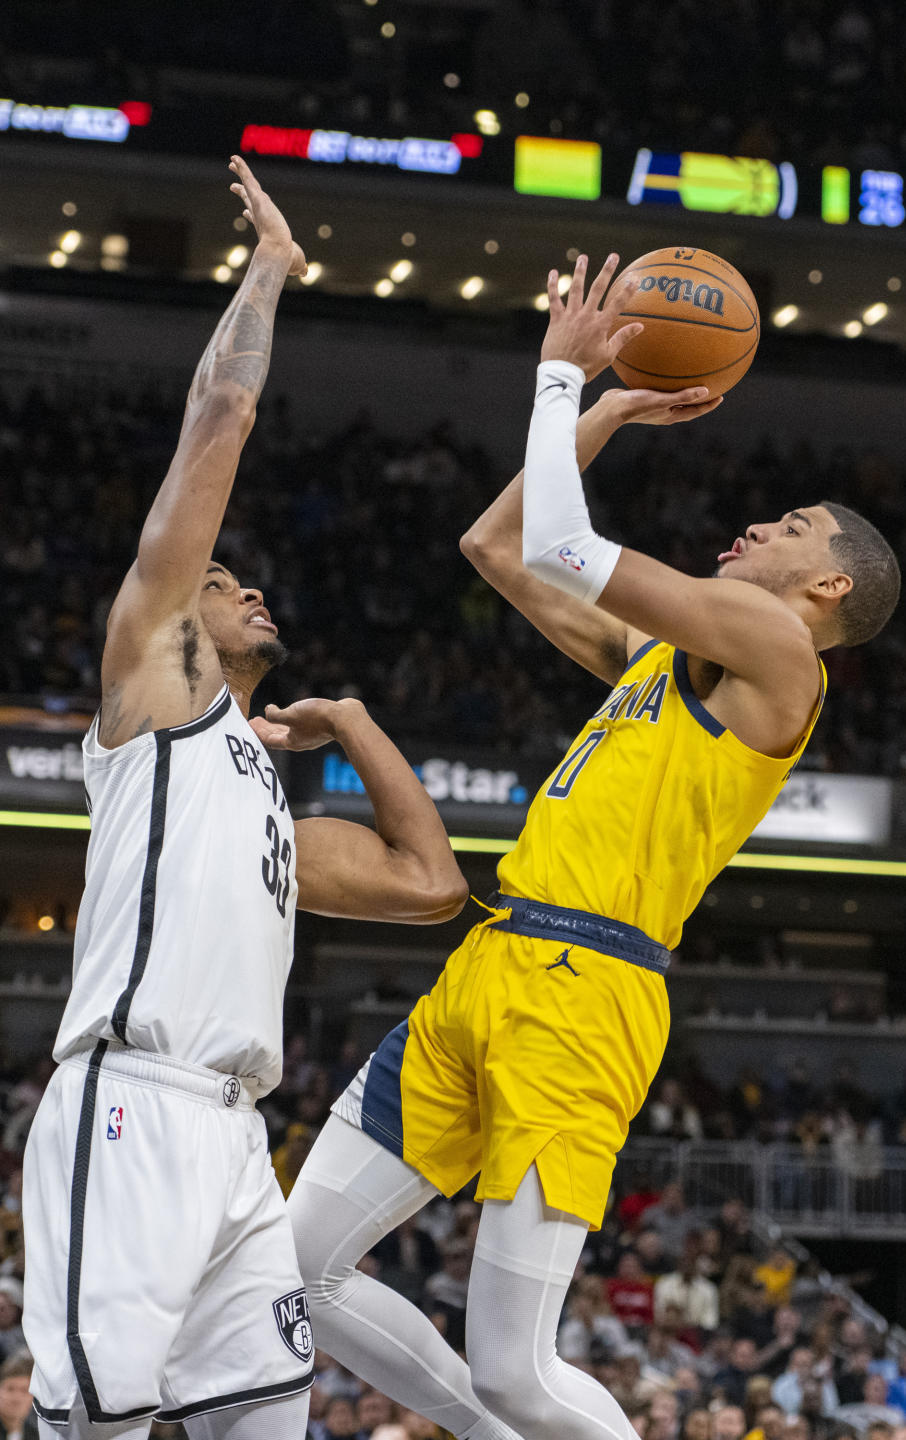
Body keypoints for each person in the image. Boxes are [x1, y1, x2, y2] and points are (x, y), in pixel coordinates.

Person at [288, 252, 900, 1440]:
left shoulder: (780, 654)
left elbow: (570, 550)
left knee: (517, 1371)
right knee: (290, 1273)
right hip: (489, 966)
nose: (760, 521)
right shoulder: (666, 662)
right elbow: (497, 544)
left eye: (792, 525)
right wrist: (610, 407)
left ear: (826, 585)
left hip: (588, 992)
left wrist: (564, 382)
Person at [21, 158, 467, 1440]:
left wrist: (358, 725)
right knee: (94, 1419)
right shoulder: (158, 687)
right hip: (131, 1105)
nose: (245, 584)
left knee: (264, 1421)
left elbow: (430, 884)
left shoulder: (266, 803)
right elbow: (218, 413)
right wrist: (269, 266)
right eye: (224, 577)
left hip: (235, 1135)